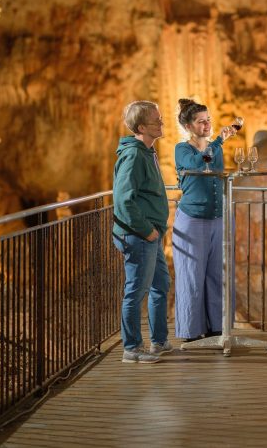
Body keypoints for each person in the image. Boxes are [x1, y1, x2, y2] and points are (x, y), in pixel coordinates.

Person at [112, 101, 171, 364]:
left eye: (160, 118)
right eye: (156, 120)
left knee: (161, 285)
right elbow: (123, 199)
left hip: (151, 233)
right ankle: (132, 348)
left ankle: (159, 341)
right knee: (136, 291)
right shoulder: (135, 155)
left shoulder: (148, 151)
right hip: (139, 234)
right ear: (141, 127)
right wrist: (147, 231)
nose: (161, 123)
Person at [172, 99, 236, 342]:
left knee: (217, 274)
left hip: (217, 218)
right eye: (201, 121)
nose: (207, 124)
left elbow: (216, 174)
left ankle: (217, 328)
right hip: (192, 219)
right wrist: (219, 141)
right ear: (189, 126)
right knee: (191, 276)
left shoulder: (214, 147)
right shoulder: (182, 149)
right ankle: (191, 332)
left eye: (208, 119)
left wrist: (216, 144)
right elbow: (198, 164)